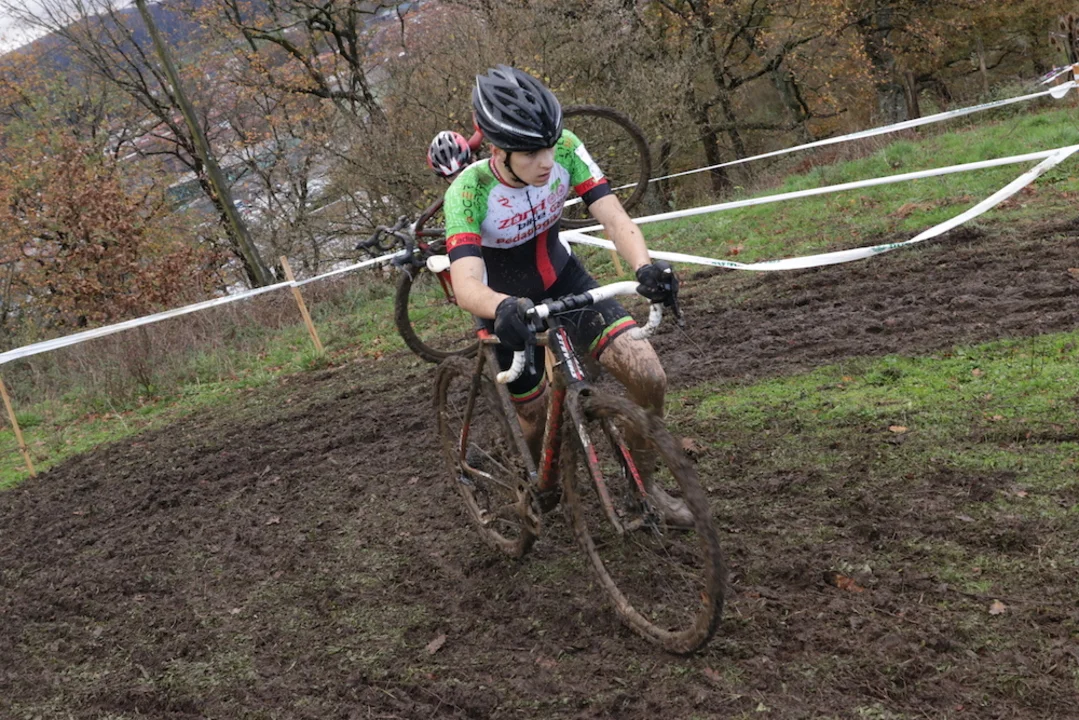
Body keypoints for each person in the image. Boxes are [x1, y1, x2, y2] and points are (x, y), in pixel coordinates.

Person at [442, 65, 690, 525]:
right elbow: (466, 284)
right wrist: (502, 307)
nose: (546, 161)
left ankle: (646, 488)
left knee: (649, 377)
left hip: (564, 281)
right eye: (531, 152)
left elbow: (614, 217)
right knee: (536, 419)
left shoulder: (568, 149)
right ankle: (537, 480)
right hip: (505, 305)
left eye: (550, 146)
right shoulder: (469, 191)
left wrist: (645, 266)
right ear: (497, 149)